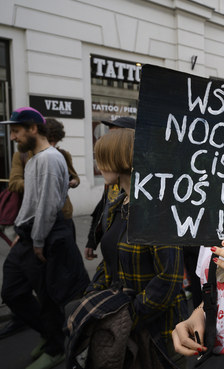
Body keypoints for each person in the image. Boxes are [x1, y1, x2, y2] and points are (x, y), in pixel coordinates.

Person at [84, 128, 188, 368]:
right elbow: (110, 260)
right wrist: (93, 295)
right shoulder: (118, 204)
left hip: (156, 333)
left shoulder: (156, 208)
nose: (98, 166)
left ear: (121, 158)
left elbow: (169, 279)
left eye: (102, 158)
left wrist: (129, 315)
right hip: (123, 325)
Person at [0, 107, 88, 369]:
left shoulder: (49, 159)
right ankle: (50, 334)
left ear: (33, 129)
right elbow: (30, 201)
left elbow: (49, 205)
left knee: (48, 295)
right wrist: (20, 232)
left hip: (44, 236)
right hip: (27, 235)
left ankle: (55, 347)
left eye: (16, 131)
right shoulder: (33, 157)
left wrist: (37, 240)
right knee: (12, 291)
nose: (13, 137)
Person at [85, 116, 136, 260]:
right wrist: (93, 240)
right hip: (113, 244)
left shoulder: (146, 208)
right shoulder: (116, 186)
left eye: (115, 137)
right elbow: (103, 208)